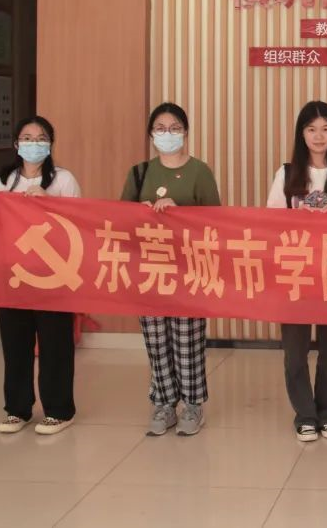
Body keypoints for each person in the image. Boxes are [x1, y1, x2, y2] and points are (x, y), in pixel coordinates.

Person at [266, 101, 327, 442]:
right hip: (295, 275)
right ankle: (304, 414)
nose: (319, 136)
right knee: (295, 352)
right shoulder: (287, 174)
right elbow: (271, 222)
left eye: (325, 129)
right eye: (311, 129)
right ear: (301, 134)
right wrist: (302, 220)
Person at [121, 102, 220, 437]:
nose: (168, 134)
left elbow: (216, 221)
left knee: (186, 339)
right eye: (160, 128)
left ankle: (192, 405)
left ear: (186, 132)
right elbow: (118, 220)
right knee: (156, 340)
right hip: (149, 269)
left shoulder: (199, 172)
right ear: (151, 134)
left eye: (175, 128)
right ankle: (163, 403)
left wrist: (180, 213)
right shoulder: (139, 173)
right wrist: (141, 212)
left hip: (188, 269)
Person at [0, 116, 81, 435]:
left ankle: (59, 410)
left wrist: (50, 204)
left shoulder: (63, 179)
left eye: (40, 138)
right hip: (13, 276)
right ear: (16, 144)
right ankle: (17, 409)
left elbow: (80, 222)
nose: (33, 143)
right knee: (16, 345)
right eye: (27, 138)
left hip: (53, 275)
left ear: (50, 144)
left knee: (55, 344)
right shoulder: (3, 181)